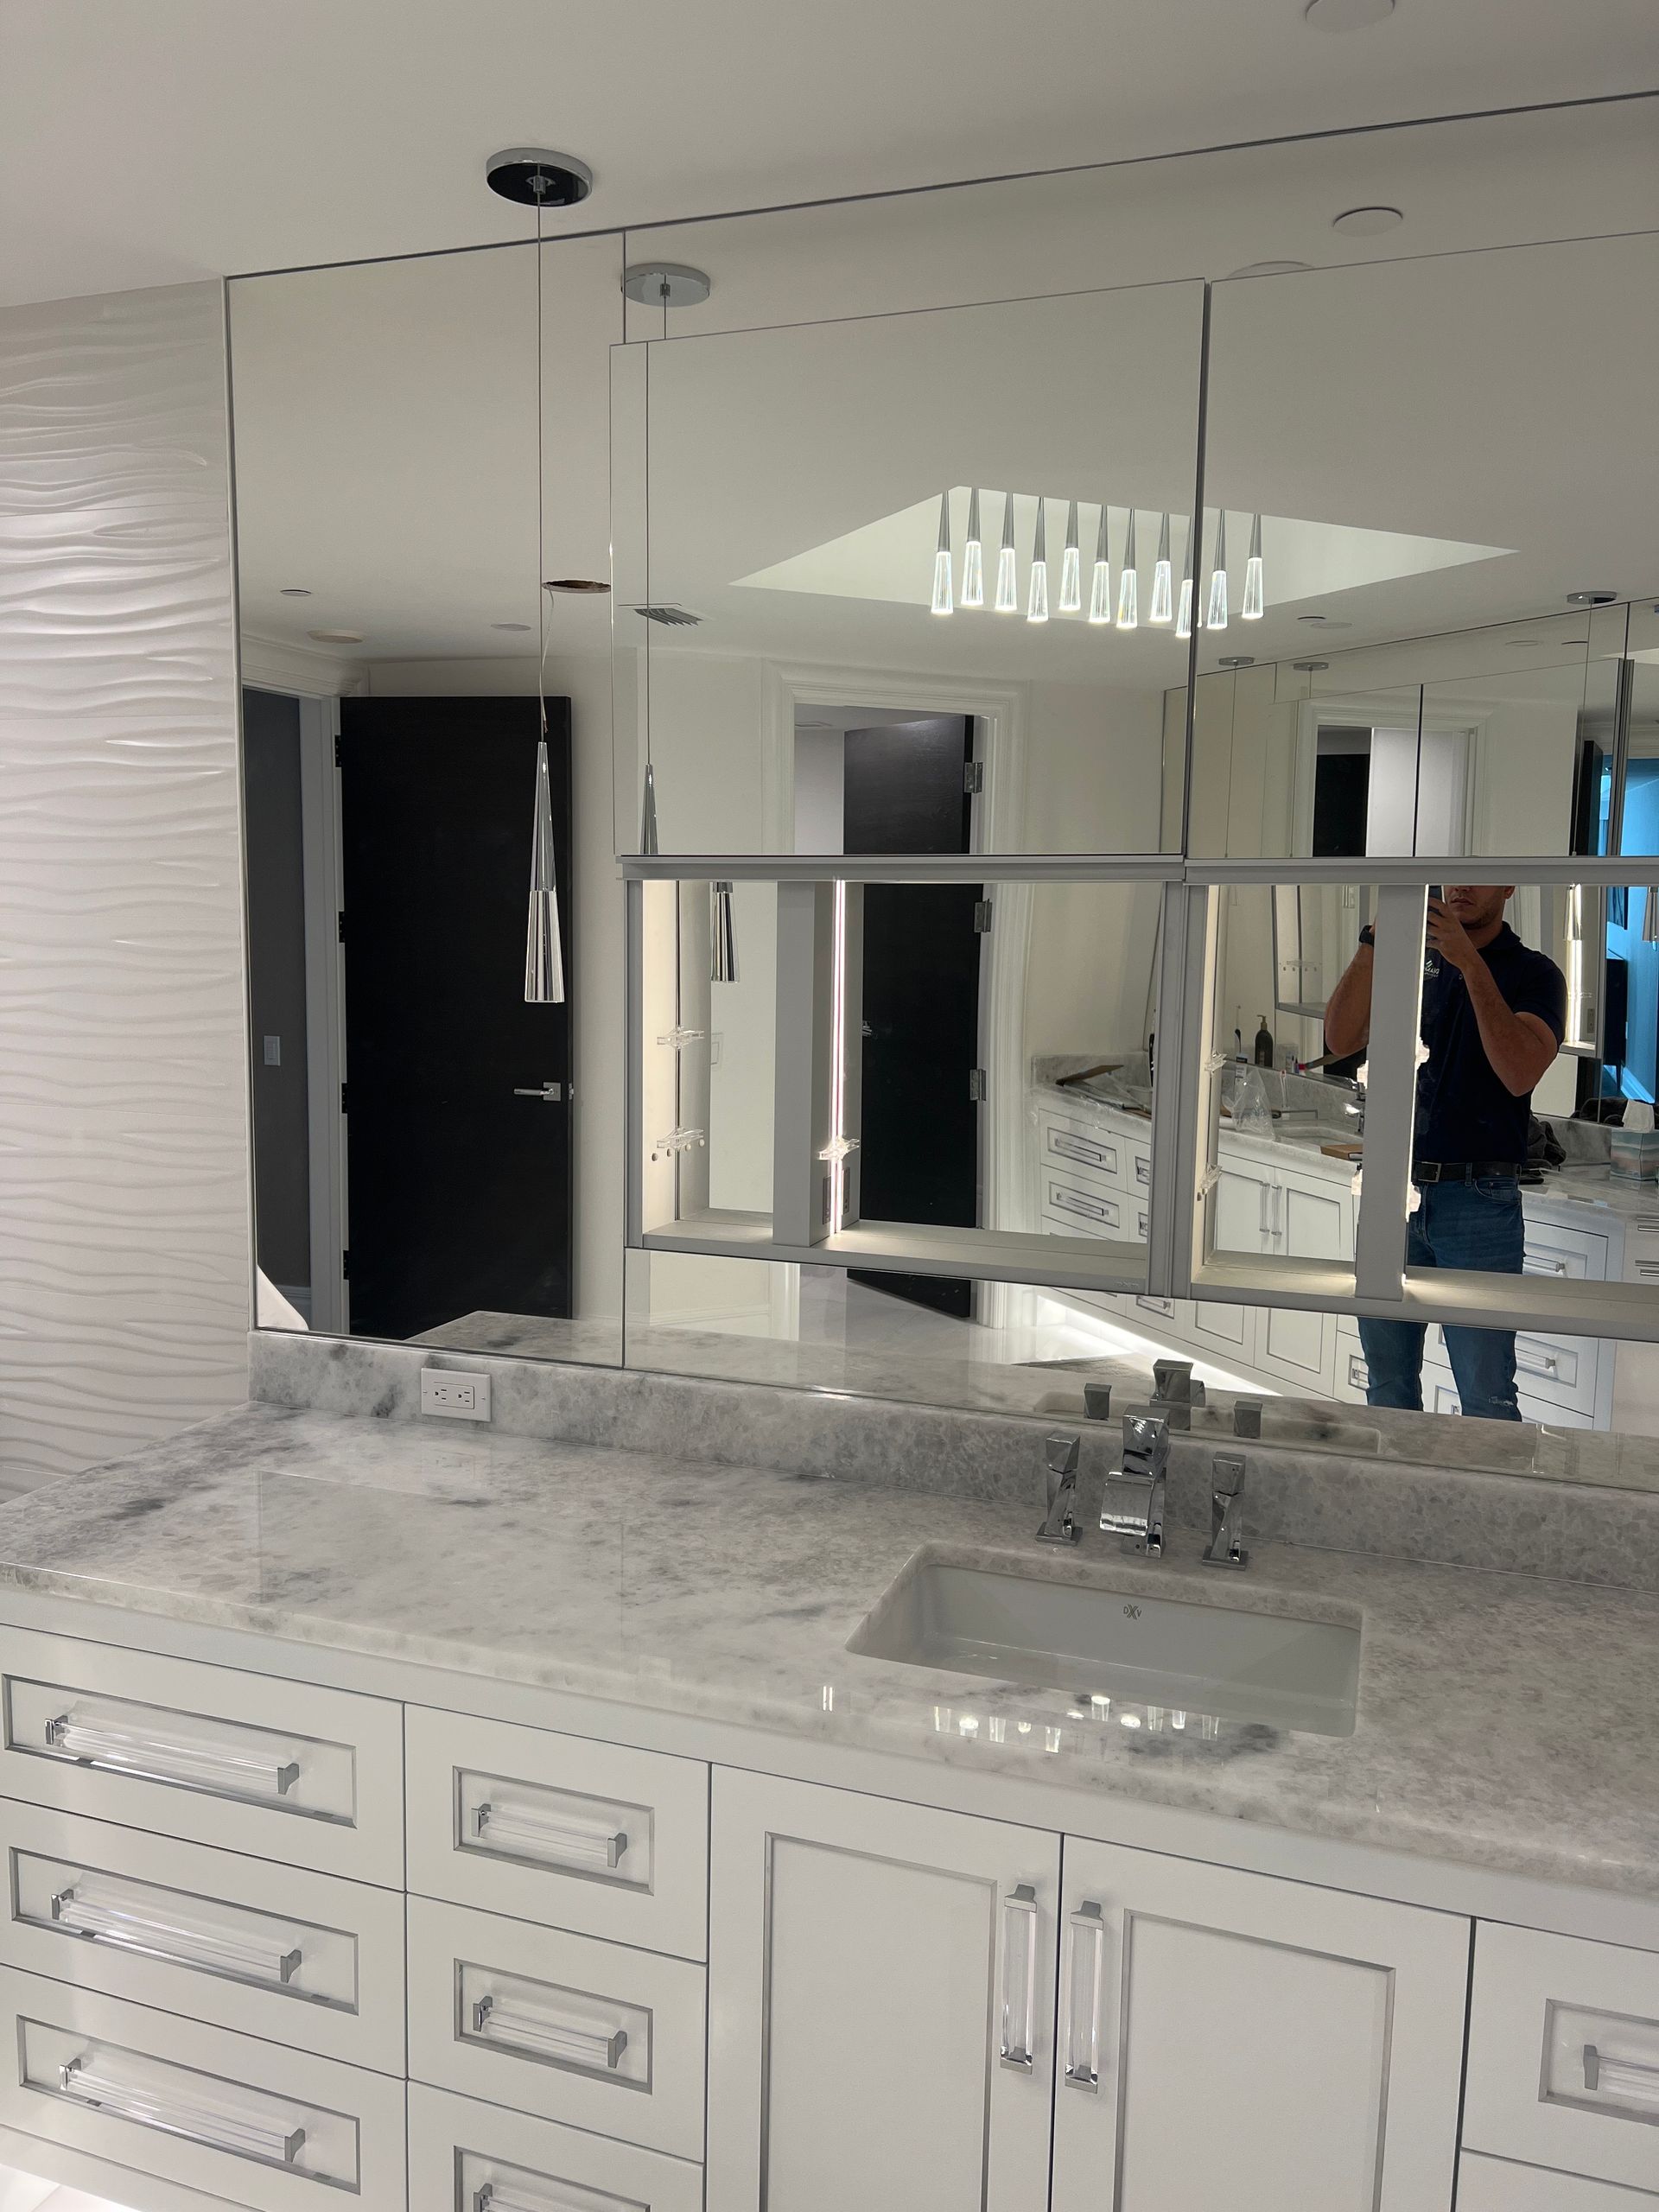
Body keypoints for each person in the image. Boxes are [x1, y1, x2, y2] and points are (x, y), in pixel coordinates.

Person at [1323, 886, 1566, 1421]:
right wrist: (1373, 941)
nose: (1459, 887)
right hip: (1391, 1190)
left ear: (1508, 887)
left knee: (1486, 1394)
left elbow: (1520, 1071)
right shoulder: (1410, 962)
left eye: (1477, 876)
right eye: (1450, 874)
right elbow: (1339, 1039)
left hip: (1478, 1201)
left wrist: (1469, 964)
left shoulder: (1534, 973)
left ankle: (1489, 1506)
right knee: (1387, 1385)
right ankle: (1397, 1499)